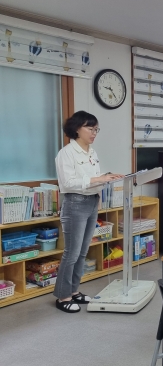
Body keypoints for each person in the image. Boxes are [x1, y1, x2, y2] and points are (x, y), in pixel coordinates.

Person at [54, 111, 124, 313]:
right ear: (77, 129)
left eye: (96, 129)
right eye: (90, 129)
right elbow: (68, 182)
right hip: (75, 203)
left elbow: (92, 178)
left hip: (92, 201)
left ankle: (74, 290)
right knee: (72, 253)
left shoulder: (92, 152)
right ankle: (63, 296)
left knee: (83, 251)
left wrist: (106, 177)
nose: (94, 133)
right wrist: (98, 179)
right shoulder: (66, 153)